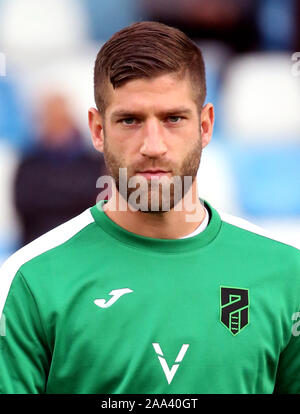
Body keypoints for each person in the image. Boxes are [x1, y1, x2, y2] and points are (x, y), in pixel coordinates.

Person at [0, 21, 299, 394]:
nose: (153, 145)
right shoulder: (30, 281)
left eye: (173, 118)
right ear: (97, 130)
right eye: (130, 120)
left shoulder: (287, 273)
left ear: (205, 125)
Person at [13, 92, 107, 246]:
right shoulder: (29, 163)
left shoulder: (92, 162)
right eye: (50, 118)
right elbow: (25, 206)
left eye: (60, 119)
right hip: (39, 243)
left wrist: (49, 195)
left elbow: (96, 202)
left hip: (83, 243)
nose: (55, 124)